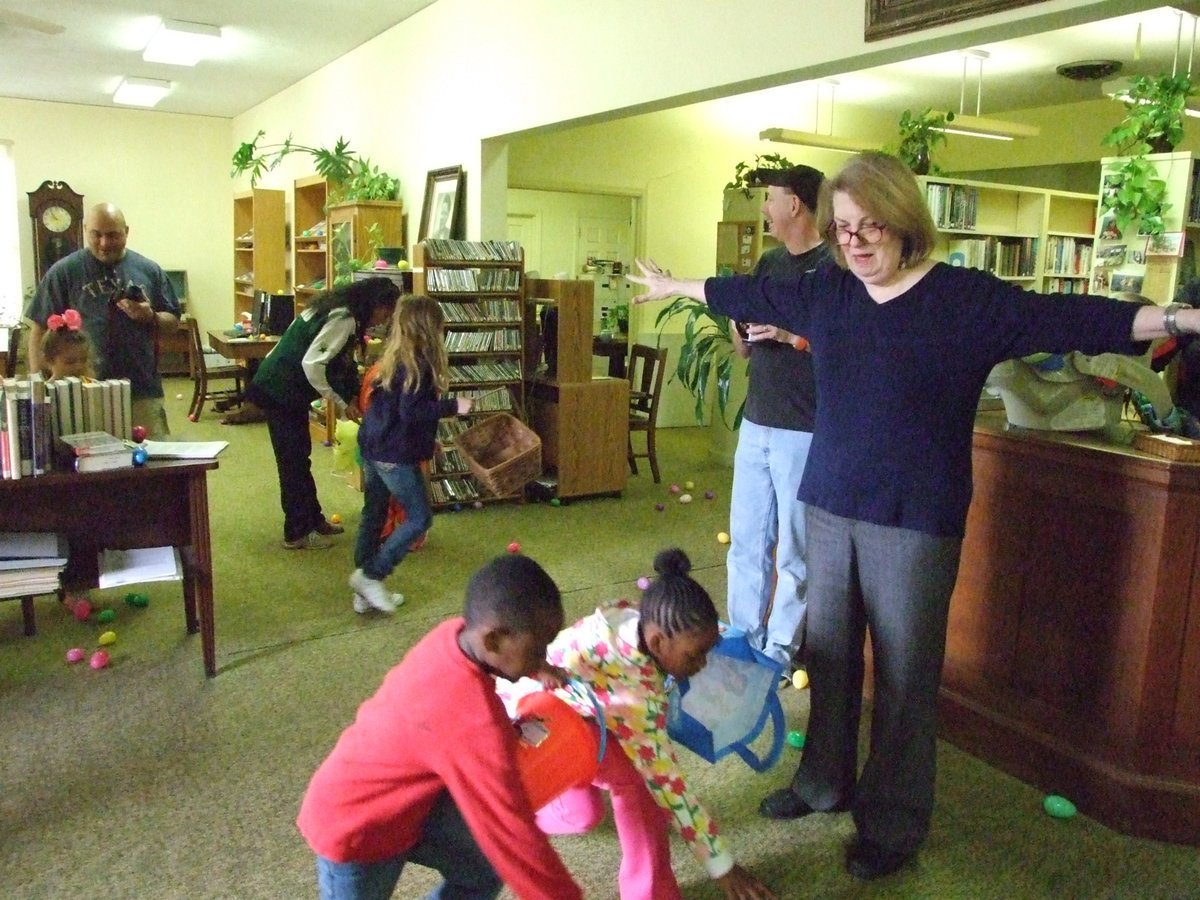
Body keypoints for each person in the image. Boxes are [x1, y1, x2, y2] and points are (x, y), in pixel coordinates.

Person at [628, 150, 1200, 881]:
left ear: (905, 224)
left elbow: (1068, 317)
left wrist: (1179, 315)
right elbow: (745, 291)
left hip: (916, 519)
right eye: (843, 229)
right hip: (831, 504)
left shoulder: (965, 301)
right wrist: (675, 283)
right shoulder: (829, 293)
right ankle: (822, 781)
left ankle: (893, 822)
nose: (857, 242)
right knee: (828, 656)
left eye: (872, 226)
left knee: (901, 676)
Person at [297, 553, 584, 900]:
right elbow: (512, 832)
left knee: (483, 868)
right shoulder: (474, 721)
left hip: (418, 803)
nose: (543, 656)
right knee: (497, 852)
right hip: (356, 827)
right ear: (492, 640)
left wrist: (534, 667)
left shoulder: (455, 634)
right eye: (537, 650)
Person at [502, 548, 777, 900]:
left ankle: (539, 799)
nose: (702, 664)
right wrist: (723, 867)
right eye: (694, 656)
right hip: (540, 729)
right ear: (659, 642)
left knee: (583, 815)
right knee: (643, 783)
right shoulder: (639, 698)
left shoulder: (626, 618)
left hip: (556, 719)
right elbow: (671, 788)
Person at [727, 165, 829, 677]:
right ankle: (742, 638)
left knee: (793, 547)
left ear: (796, 204)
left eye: (770, 199)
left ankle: (780, 650)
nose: (764, 209)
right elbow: (742, 351)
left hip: (803, 430)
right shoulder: (767, 264)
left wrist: (791, 336)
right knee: (746, 539)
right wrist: (738, 323)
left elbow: (841, 349)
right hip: (757, 423)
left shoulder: (834, 267)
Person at [245, 278, 399, 550]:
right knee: (292, 462)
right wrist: (342, 401)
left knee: (299, 457)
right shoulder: (344, 318)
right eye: (385, 312)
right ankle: (296, 532)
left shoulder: (332, 308)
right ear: (373, 304)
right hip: (279, 390)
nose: (383, 320)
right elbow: (313, 365)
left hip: (281, 386)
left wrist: (350, 392)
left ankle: (313, 519)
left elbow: (339, 361)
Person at [349, 296, 473, 613]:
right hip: (393, 454)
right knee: (419, 518)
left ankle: (364, 586)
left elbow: (395, 410)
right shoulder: (420, 364)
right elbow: (413, 410)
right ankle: (372, 576)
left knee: (374, 514)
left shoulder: (396, 357)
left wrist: (425, 442)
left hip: (374, 447)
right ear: (431, 328)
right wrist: (453, 406)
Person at [24, 202, 181, 438]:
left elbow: (173, 322)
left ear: (126, 231)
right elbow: (39, 328)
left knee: (152, 464)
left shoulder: (149, 270)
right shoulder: (63, 272)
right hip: (80, 391)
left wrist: (150, 317)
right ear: (85, 229)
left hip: (140, 388)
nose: (104, 243)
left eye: (113, 235)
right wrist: (38, 386)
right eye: (96, 235)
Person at [40, 309, 93, 380]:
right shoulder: (44, 390)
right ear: (49, 360)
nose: (79, 367)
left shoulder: (91, 386)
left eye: (84, 360)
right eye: (70, 362)